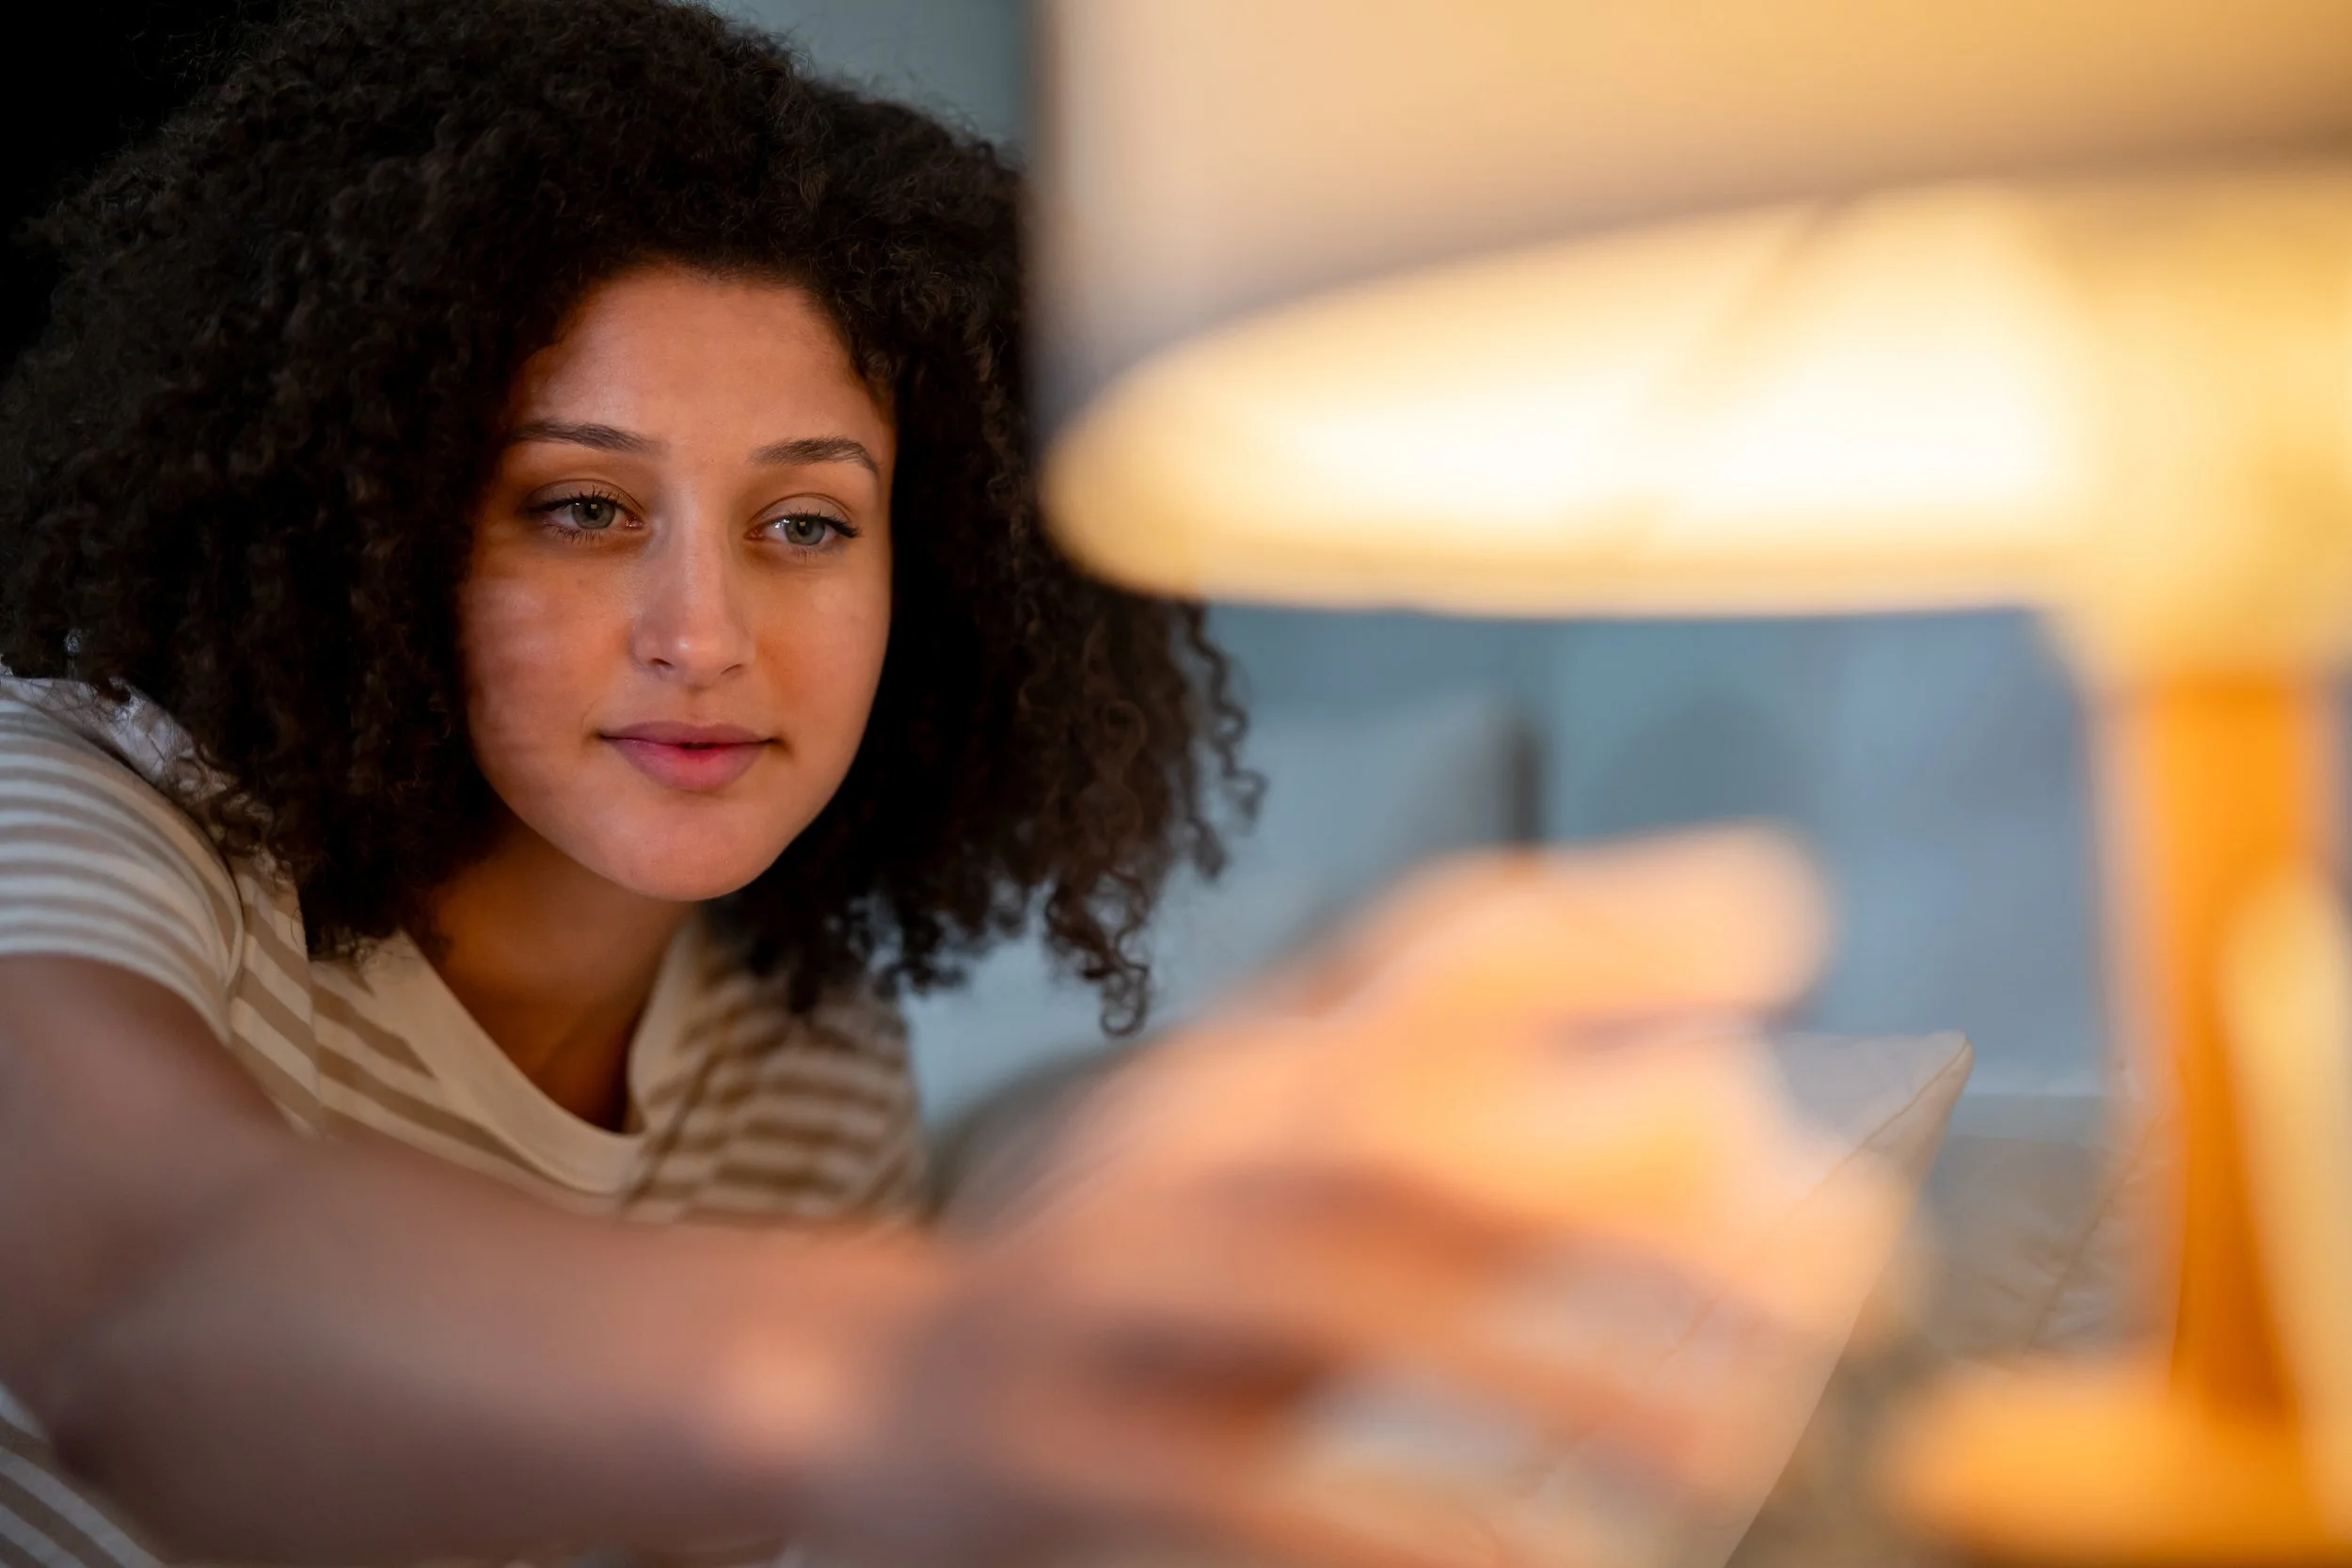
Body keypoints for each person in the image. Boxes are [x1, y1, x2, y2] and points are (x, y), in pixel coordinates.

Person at [0, 2, 1886, 1566]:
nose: (704, 630)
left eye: (804, 521)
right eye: (579, 508)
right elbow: (138, 1304)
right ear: (388, 526)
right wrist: (888, 1367)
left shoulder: (798, 1073)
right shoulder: (82, 810)